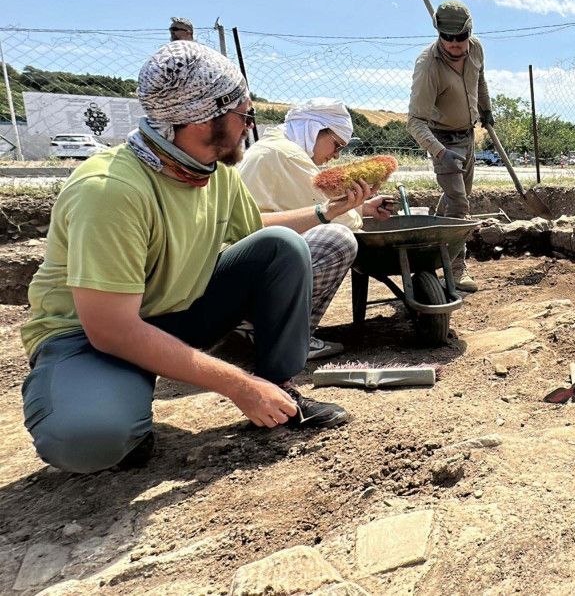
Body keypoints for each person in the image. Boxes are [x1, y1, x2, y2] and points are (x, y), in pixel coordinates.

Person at [20, 41, 351, 475]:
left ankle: (280, 389)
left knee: (281, 247)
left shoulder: (215, 174)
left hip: (174, 312)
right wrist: (238, 385)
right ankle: (120, 412)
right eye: (243, 115)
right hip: (90, 338)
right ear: (204, 119)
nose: (248, 127)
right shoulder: (111, 190)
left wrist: (331, 209)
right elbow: (113, 330)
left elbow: (260, 234)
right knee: (87, 440)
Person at [237, 98, 394, 360]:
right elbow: (329, 215)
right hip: (250, 274)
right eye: (336, 145)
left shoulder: (273, 147)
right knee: (338, 240)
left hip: (242, 270)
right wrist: (355, 212)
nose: (336, 155)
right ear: (314, 129)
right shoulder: (286, 154)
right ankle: (285, 338)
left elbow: (301, 209)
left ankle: (251, 325)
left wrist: (364, 208)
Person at [407, 0, 492, 293]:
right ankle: (455, 269)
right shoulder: (428, 66)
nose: (454, 44)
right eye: (447, 38)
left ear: (469, 31)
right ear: (439, 33)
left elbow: (480, 81)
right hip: (441, 138)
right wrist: (440, 153)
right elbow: (414, 122)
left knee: (455, 200)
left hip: (467, 135)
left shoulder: (477, 48)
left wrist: (487, 109)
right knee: (459, 203)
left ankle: (430, 251)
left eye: (460, 38)